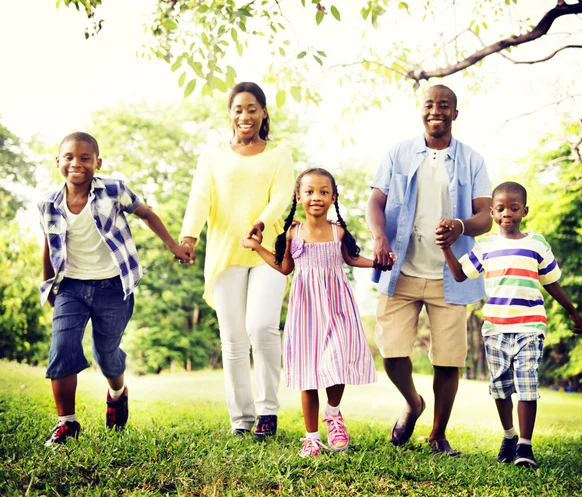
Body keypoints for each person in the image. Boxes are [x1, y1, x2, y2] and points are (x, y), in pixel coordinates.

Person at [39, 132, 191, 447]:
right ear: (58, 162)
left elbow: (146, 213)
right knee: (61, 349)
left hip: (113, 287)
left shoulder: (113, 190)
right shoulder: (48, 203)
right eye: (68, 157)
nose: (76, 164)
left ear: (97, 162)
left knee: (106, 355)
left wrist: (174, 245)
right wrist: (49, 285)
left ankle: (117, 394)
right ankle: (66, 424)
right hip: (71, 287)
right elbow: (49, 245)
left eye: (84, 158)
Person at [366, 84, 493, 456]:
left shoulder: (472, 159)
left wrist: (461, 226)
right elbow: (376, 201)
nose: (436, 110)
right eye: (429, 105)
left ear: (455, 113)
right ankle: (412, 402)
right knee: (391, 351)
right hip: (401, 268)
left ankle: (438, 434)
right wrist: (379, 239)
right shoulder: (399, 153)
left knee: (448, 358)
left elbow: (485, 215)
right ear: (420, 111)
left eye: (444, 105)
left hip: (451, 274)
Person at [242, 168, 388, 457]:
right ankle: (311, 437)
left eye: (323, 191)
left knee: (337, 359)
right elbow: (285, 267)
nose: (316, 197)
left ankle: (333, 415)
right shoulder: (293, 232)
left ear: (333, 197)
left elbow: (351, 257)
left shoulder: (338, 231)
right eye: (309, 192)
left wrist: (378, 262)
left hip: (337, 306)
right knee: (308, 372)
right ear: (299, 197)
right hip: (305, 309)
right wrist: (257, 247)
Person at [438, 181, 582, 468]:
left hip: (531, 326)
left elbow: (551, 282)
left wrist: (572, 311)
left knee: (527, 384)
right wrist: (446, 248)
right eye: (501, 208)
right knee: (501, 387)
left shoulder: (537, 243)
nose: (508, 213)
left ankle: (525, 447)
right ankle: (509, 436)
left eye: (514, 208)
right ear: (492, 212)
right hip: (495, 328)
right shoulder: (486, 246)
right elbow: (459, 275)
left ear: (524, 211)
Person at [180, 82, 294, 438]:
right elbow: (200, 197)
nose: (245, 115)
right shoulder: (213, 155)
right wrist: (189, 235)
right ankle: (242, 420)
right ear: (230, 114)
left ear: (264, 113)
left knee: (261, 328)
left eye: (252, 108)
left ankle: (268, 412)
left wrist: (260, 222)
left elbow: (283, 197)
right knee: (232, 338)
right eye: (238, 109)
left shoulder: (279, 153)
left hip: (268, 252)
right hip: (225, 252)